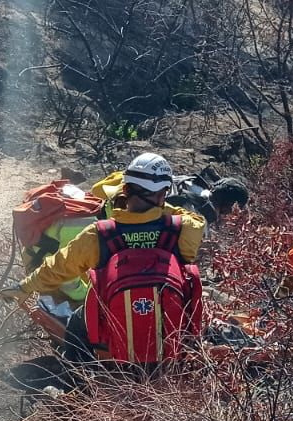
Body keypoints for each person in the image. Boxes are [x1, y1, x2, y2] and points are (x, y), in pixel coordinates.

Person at [16, 152, 206, 365]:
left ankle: (82, 382)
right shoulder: (182, 229)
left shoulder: (100, 234)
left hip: (111, 342)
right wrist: (163, 207)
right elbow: (198, 221)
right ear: (164, 194)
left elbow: (58, 267)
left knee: (77, 326)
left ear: (124, 190)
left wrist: (24, 287)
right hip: (171, 342)